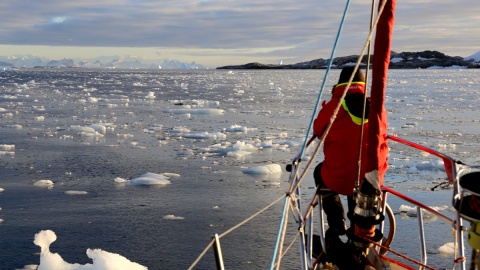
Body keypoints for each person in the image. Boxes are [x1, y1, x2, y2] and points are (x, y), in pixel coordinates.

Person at [312, 67, 370, 258]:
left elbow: (318, 128)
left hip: (338, 177)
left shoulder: (335, 105)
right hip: (369, 182)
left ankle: (337, 224)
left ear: (340, 83)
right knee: (360, 183)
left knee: (319, 172)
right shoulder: (375, 106)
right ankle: (358, 228)